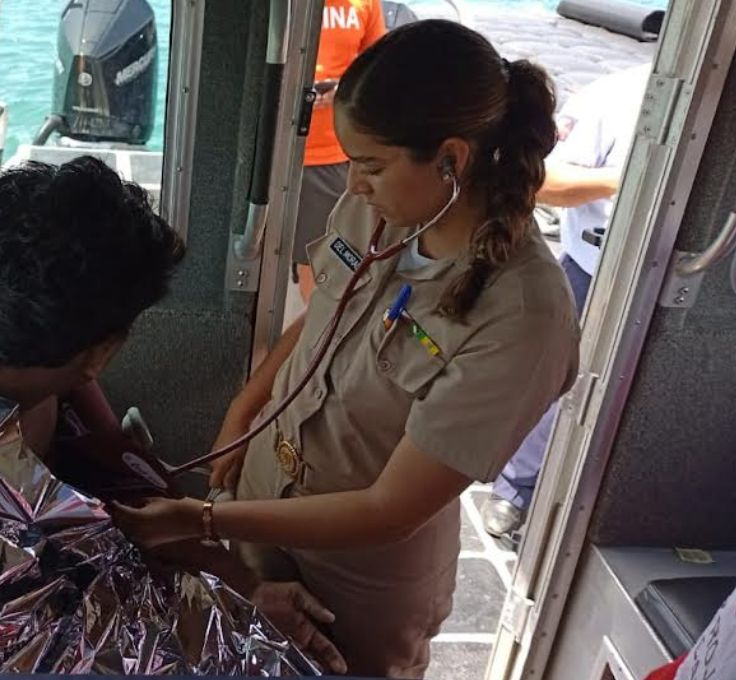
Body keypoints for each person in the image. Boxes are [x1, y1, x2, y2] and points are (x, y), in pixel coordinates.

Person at [111, 20, 580, 678]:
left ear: (452, 158)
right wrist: (247, 409)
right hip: (266, 497)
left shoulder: (524, 316)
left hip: (364, 570)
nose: (354, 184)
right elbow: (325, 315)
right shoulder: (382, 209)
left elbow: (390, 509)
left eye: (371, 165)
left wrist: (202, 520)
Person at [0, 156, 345, 675]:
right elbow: (140, 628)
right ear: (102, 353)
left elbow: (91, 430)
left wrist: (116, 447)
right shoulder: (17, 523)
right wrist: (251, 599)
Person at [483, 63, 652, 538]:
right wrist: (629, 178)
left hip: (679, 279)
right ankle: (516, 490)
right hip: (595, 267)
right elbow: (545, 180)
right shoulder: (618, 95)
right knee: (552, 382)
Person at [295, 0, 388, 303]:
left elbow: (378, 69)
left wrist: (344, 90)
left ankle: (316, 337)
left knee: (324, 262)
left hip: (335, 153)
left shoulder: (365, 3)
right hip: (275, 149)